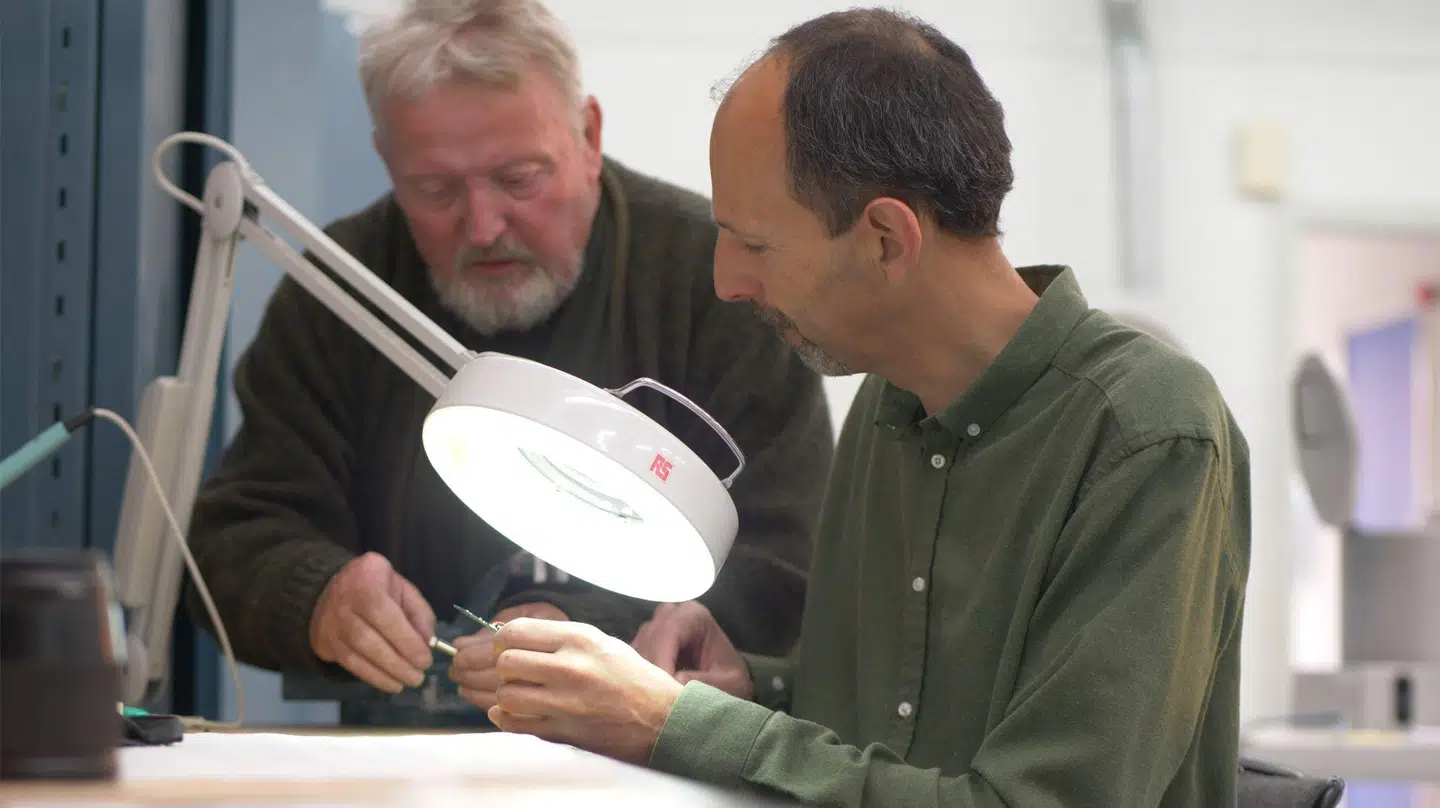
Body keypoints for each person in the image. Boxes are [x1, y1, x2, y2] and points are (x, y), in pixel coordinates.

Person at [449, 8, 1251, 807]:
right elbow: (891, 735)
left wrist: (676, 724)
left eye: (754, 244)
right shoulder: (885, 406)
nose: (728, 281)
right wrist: (750, 688)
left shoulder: (1147, 435)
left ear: (885, 240)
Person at [182, 0, 833, 726]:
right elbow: (233, 539)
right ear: (386, 162)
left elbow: (793, 558)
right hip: (405, 759)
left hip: (655, 754)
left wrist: (592, 626)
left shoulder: (715, 284)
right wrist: (319, 594)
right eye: (435, 191)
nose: (484, 226)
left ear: (588, 135)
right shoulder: (345, 292)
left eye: (520, 178)